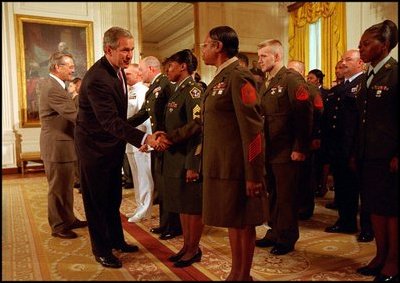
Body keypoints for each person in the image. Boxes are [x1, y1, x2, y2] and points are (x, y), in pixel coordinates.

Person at [74, 26, 167, 269]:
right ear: (109, 49)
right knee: (97, 203)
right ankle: (102, 250)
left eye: (131, 49)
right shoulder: (97, 78)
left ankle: (116, 240)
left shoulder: (117, 71)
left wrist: (135, 137)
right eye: (125, 50)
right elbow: (109, 121)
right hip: (94, 150)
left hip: (111, 147)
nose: (129, 55)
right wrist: (144, 139)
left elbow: (118, 119)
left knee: (113, 197)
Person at [201, 25, 267, 281]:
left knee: (243, 222)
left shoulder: (239, 75)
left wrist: (253, 174)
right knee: (233, 221)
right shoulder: (220, 76)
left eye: (206, 45)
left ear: (218, 46)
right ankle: (236, 273)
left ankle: (243, 275)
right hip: (222, 165)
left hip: (239, 167)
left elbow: (253, 130)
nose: (203, 50)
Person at [255, 39, 313, 255]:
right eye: (259, 56)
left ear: (277, 57)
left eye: (263, 56)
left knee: (287, 196)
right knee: (273, 194)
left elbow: (304, 114)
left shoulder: (291, 79)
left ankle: (287, 237)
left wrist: (300, 147)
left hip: (287, 149)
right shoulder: (267, 82)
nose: (259, 60)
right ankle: (274, 231)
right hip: (270, 149)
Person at [356, 19, 398, 281]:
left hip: (389, 157)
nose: (360, 48)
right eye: (360, 44)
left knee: (392, 210)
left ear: (384, 45)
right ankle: (380, 255)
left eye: (366, 44)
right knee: (374, 208)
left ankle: (394, 261)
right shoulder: (367, 76)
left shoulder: (395, 74)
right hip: (367, 155)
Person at [128, 56, 182, 240]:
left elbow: (171, 116)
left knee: (168, 186)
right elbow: (145, 113)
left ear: (151, 69)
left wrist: (163, 138)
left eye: (141, 70)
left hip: (166, 142)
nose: (139, 73)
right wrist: (123, 127)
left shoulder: (166, 84)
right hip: (158, 142)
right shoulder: (155, 86)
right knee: (161, 185)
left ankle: (173, 226)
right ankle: (165, 223)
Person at [161, 49, 203, 268]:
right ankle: (187, 246)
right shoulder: (177, 90)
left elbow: (198, 126)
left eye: (171, 65)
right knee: (182, 205)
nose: (168, 69)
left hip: (188, 156)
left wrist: (193, 164)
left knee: (192, 206)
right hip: (175, 156)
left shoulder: (193, 90)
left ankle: (194, 249)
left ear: (183, 66)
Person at [39, 51, 88, 240]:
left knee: (66, 187)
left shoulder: (58, 85)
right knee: (58, 189)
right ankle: (59, 226)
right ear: (57, 67)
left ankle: (68, 219)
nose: (73, 69)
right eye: (69, 65)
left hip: (64, 146)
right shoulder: (52, 88)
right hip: (57, 148)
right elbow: (75, 115)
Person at [324, 49, 365, 235]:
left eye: (349, 59)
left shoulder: (363, 84)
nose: (344, 63)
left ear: (360, 63)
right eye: (343, 59)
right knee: (342, 187)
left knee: (360, 190)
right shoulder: (341, 88)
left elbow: (360, 122)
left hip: (355, 147)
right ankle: (346, 222)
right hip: (338, 147)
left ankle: (367, 228)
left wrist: (355, 150)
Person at [287, 60, 324, 220]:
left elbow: (319, 113)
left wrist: (315, 135)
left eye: (293, 71)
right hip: (288, 139)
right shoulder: (286, 88)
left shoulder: (312, 90)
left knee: (305, 175)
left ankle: (305, 207)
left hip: (306, 138)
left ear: (301, 73)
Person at [124, 63, 154, 223]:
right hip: (130, 140)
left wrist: (146, 141)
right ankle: (139, 206)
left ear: (138, 75)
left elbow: (147, 117)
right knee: (136, 176)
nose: (125, 76)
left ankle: (145, 210)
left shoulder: (143, 91)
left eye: (129, 74)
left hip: (141, 141)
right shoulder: (129, 91)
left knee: (144, 177)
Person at [67, 77, 82, 191]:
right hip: (73, 132)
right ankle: (77, 180)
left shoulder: (77, 99)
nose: (69, 88)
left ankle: (80, 181)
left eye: (71, 86)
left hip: (77, 132)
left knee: (77, 159)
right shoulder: (72, 99)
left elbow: (77, 116)